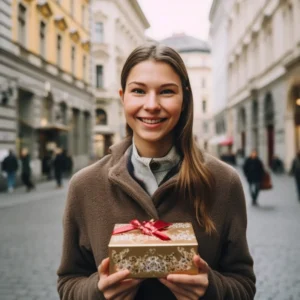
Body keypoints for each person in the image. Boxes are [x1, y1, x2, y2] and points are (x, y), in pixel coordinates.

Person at [57, 44, 255, 299]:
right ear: (123, 97)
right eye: (138, 91)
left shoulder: (223, 182)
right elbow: (68, 283)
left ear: (184, 99)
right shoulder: (85, 186)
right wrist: (97, 291)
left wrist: (211, 289)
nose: (151, 105)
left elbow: (244, 285)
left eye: (166, 92)